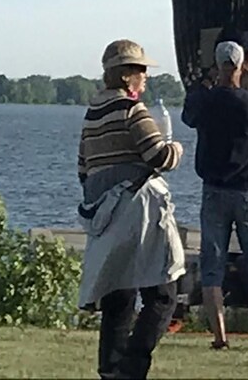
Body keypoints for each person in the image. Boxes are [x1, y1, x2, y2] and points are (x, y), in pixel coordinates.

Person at [77, 39, 185, 380]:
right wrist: (176, 149)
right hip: (138, 211)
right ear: (128, 76)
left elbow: (83, 169)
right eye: (142, 71)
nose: (146, 77)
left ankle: (110, 370)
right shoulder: (131, 110)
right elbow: (158, 157)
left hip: (105, 214)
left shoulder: (92, 114)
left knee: (118, 295)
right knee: (163, 293)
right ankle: (134, 366)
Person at [181, 39, 248, 351]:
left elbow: (189, 113)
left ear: (218, 65)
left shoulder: (206, 102)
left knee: (212, 266)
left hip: (214, 191)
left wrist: (207, 78)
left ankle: (219, 337)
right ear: (240, 66)